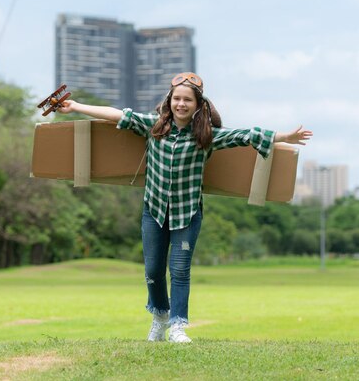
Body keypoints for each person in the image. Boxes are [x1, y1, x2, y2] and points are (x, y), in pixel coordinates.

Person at [57, 72, 312, 343]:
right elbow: (117, 115)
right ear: (169, 101)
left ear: (198, 104)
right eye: (177, 98)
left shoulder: (207, 136)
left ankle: (178, 325)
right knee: (153, 271)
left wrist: (286, 136)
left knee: (179, 270)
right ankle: (160, 316)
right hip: (154, 210)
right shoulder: (153, 126)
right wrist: (75, 107)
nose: (181, 104)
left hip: (187, 214)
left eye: (187, 100)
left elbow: (247, 135)